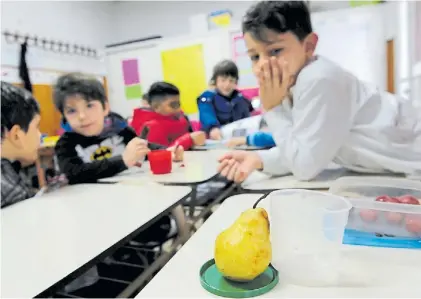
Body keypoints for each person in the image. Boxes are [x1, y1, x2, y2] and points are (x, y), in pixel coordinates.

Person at [218, 1, 421, 183]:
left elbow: (305, 166)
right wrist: (259, 158)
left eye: (275, 51)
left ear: (308, 46)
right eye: (254, 56)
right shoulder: (292, 84)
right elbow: (304, 148)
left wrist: (273, 108)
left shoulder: (317, 78)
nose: (262, 65)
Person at [53, 73, 183, 185]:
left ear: (105, 107)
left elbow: (143, 147)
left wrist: (167, 152)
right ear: (64, 115)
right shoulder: (65, 144)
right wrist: (123, 161)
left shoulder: (120, 130)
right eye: (71, 111)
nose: (82, 116)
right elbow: (75, 174)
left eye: (89, 106)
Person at [131, 82, 206, 150]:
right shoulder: (151, 127)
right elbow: (158, 154)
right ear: (156, 107)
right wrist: (189, 140)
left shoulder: (181, 118)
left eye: (178, 104)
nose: (178, 108)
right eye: (173, 105)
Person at [1, 81, 41, 208]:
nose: (40, 135)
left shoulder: (6, 167)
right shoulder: (9, 192)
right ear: (16, 135)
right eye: (37, 127)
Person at [197, 60, 253, 140]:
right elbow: (206, 114)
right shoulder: (207, 97)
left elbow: (247, 119)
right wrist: (213, 128)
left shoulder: (241, 99)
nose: (227, 84)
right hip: (213, 139)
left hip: (236, 139)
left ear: (236, 82)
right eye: (223, 80)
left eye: (231, 80)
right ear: (215, 81)